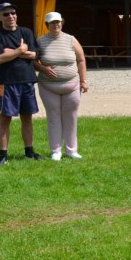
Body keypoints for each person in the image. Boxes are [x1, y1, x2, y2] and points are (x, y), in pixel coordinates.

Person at [0, 2, 43, 166]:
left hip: (27, 80)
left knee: (27, 118)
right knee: (5, 119)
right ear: (0, 17)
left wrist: (10, 52)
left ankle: (29, 152)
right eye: (5, 14)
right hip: (7, 82)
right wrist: (19, 50)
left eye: (13, 13)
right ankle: (3, 155)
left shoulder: (26, 32)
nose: (10, 16)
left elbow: (34, 55)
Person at [33, 12, 89, 161]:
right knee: (53, 117)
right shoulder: (40, 41)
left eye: (58, 22)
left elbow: (81, 60)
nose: (56, 25)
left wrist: (83, 80)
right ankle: (55, 151)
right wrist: (43, 68)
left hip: (72, 85)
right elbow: (33, 61)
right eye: (52, 23)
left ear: (62, 23)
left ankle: (71, 150)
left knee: (71, 117)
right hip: (48, 86)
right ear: (47, 25)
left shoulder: (71, 39)